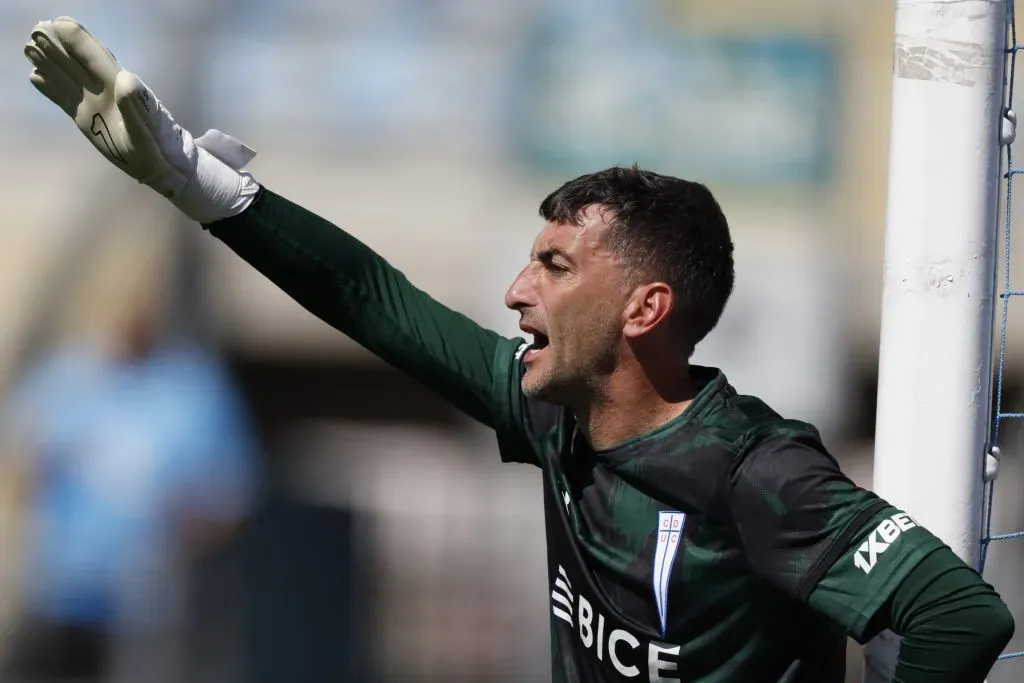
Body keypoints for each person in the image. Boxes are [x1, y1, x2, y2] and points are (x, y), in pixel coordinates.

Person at [23, 16, 1014, 683]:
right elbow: (374, 300)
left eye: (554, 265)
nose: (514, 291)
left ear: (644, 307)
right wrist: (195, 182)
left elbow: (957, 616)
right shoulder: (549, 413)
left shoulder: (755, 472)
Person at [0, 241, 260, 683]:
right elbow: (23, 456)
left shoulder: (191, 387)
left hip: (147, 603)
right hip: (61, 592)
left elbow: (231, 495)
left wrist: (177, 540)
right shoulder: (69, 375)